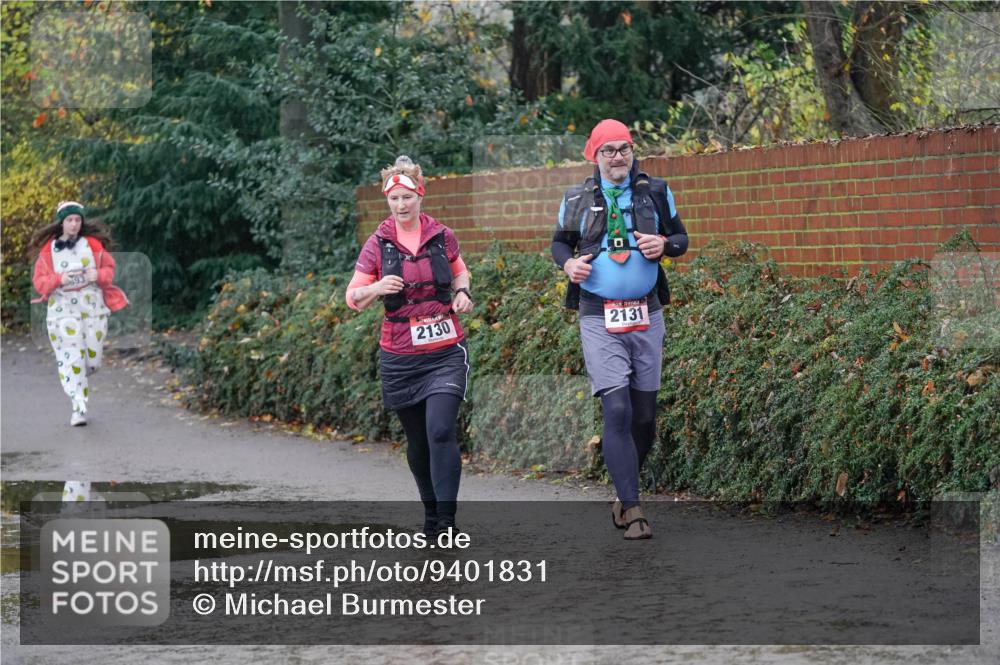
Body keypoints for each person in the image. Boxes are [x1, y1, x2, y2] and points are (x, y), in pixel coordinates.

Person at [551, 119, 688, 540]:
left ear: (632, 152)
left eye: (623, 149)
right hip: (598, 315)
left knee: (644, 418)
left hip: (647, 314)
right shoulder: (576, 198)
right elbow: (559, 243)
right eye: (607, 150)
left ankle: (622, 491)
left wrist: (665, 246)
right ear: (594, 156)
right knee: (618, 409)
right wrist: (568, 264)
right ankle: (633, 508)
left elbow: (681, 239)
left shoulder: (656, 192)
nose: (617, 157)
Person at [346, 156, 474, 536]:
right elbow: (353, 297)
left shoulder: (442, 235)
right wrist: (375, 287)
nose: (401, 205)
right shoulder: (378, 243)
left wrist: (463, 291)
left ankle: (447, 522)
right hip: (400, 355)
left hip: (445, 350)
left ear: (420, 195)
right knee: (418, 440)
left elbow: (459, 270)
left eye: (407, 197)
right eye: (394, 199)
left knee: (440, 431)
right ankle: (431, 513)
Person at [31, 201, 128, 426]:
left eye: (77, 220)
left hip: (92, 308)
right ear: (62, 223)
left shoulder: (92, 244)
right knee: (72, 358)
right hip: (62, 312)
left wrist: (98, 275)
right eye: (69, 220)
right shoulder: (49, 249)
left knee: (92, 361)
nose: (74, 224)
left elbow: (109, 271)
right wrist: (58, 279)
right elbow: (39, 282)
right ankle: (78, 408)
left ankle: (78, 376)